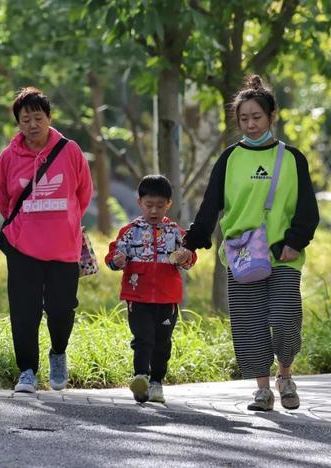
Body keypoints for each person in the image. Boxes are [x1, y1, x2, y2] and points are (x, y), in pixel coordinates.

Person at [178, 75, 319, 411]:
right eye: (244, 119)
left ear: (272, 117)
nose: (251, 124)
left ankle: (284, 373)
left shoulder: (293, 158)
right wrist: (192, 243)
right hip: (241, 255)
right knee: (249, 323)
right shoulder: (229, 158)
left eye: (257, 117)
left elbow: (307, 208)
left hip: (282, 254)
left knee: (286, 318)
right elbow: (211, 205)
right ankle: (262, 390)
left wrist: (295, 242)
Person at [0, 87, 92, 393]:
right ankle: (27, 371)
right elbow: (4, 201)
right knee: (24, 312)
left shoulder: (70, 150)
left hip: (64, 246)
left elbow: (83, 194)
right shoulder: (8, 157)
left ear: (49, 118)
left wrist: (65, 222)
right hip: (22, 247)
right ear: (18, 123)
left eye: (38, 117)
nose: (32, 124)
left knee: (62, 309)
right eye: (25, 119)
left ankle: (58, 352)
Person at [105, 175, 197, 403]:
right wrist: (117, 260)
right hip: (138, 296)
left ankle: (156, 383)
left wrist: (186, 256)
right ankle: (141, 378)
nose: (154, 211)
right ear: (140, 203)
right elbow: (112, 257)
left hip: (168, 297)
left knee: (162, 342)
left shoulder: (176, 232)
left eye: (159, 205)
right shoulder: (129, 231)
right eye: (149, 205)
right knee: (143, 338)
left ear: (169, 204)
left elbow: (190, 258)